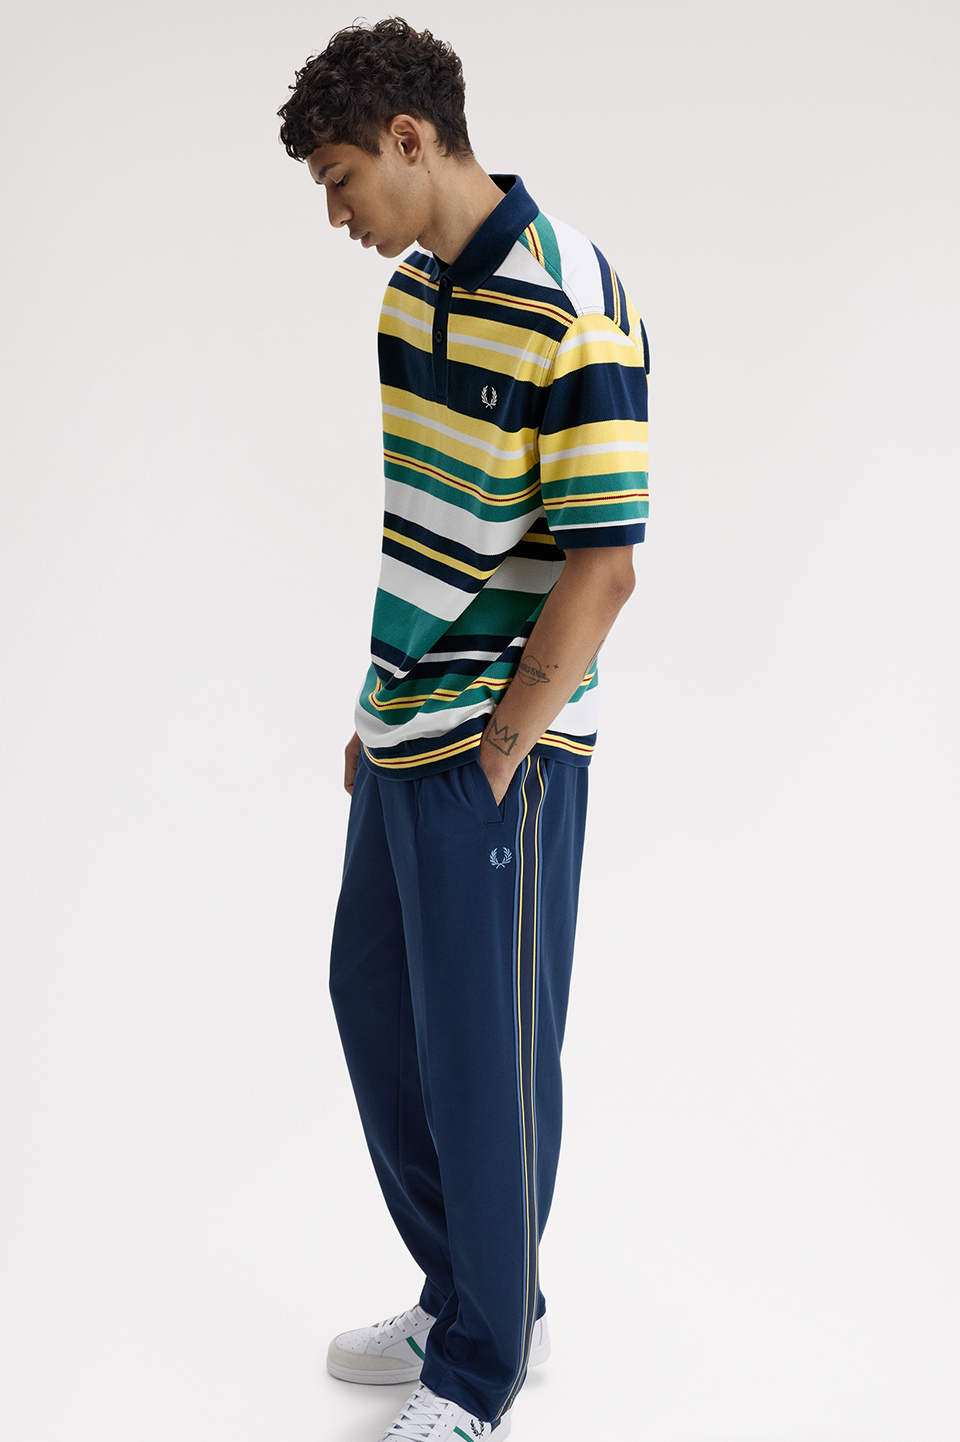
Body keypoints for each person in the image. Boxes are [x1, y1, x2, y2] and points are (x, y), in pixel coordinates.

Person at [278, 17, 649, 1440]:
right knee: (371, 1002)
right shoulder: (406, 303)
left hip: (506, 746)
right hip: (404, 726)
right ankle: (472, 1289)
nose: (337, 215)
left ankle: (483, 1366)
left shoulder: (576, 302)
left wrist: (505, 747)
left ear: (412, 138)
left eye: (341, 179)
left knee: (486, 1057)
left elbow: (605, 563)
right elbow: (426, 531)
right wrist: (377, 702)